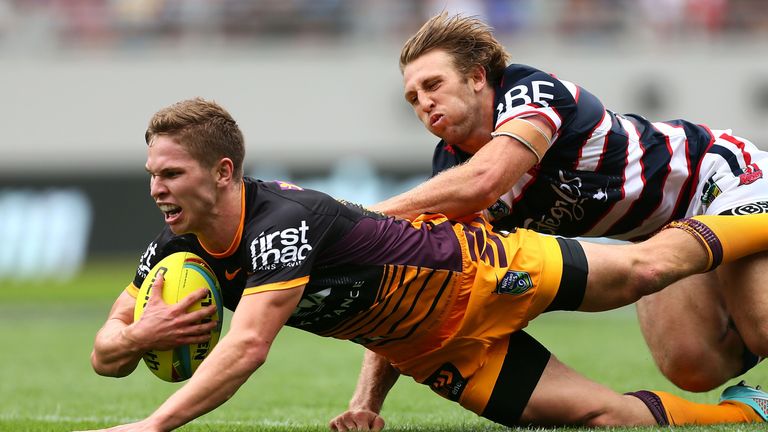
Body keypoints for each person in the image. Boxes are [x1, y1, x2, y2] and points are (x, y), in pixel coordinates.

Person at [86, 98, 768, 432]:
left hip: (483, 274)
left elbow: (247, 347)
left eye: (171, 174)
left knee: (647, 268)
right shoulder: (170, 252)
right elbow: (105, 351)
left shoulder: (283, 223)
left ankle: (757, 206)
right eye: (151, 174)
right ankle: (751, 416)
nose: (156, 189)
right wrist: (137, 336)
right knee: (608, 421)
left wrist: (150, 426)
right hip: (436, 353)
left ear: (223, 171)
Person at [362, 12, 768, 394]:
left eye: (433, 85)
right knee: (691, 366)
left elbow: (484, 181)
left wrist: (360, 219)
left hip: (720, 179)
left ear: (477, 77)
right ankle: (752, 383)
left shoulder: (529, 91)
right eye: (412, 98)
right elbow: (411, 280)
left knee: (762, 325)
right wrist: (365, 401)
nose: (423, 103)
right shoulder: (450, 171)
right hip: (661, 233)